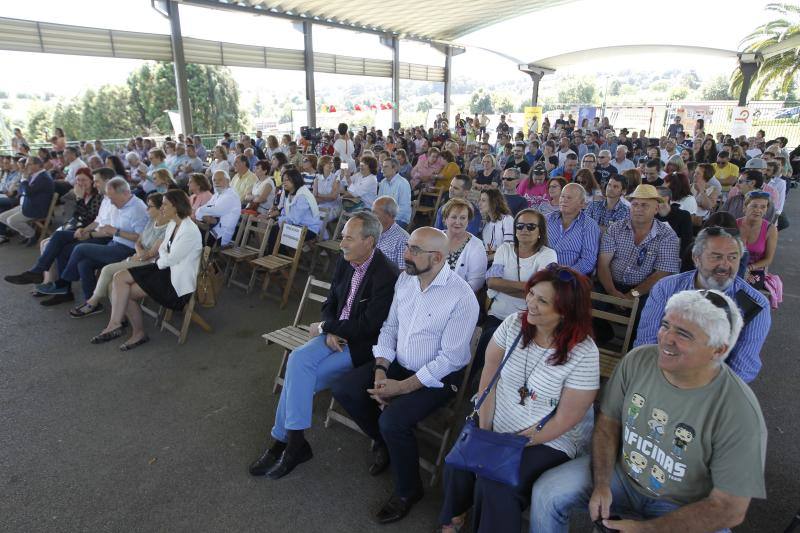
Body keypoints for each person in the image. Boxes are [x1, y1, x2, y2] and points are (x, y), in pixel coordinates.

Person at [532, 289, 766, 533]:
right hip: (622, 475)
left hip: (683, 503)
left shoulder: (739, 412)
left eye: (683, 334)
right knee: (547, 493)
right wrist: (602, 485)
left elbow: (729, 508)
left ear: (718, 350)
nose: (666, 338)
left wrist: (648, 529)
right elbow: (608, 423)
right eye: (666, 325)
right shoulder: (638, 360)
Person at [331, 227, 480, 525]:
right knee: (345, 388)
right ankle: (385, 442)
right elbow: (390, 328)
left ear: (437, 258)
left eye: (413, 250)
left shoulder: (462, 297)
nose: (405, 255)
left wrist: (401, 388)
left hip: (439, 377)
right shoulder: (406, 280)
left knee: (393, 420)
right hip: (400, 362)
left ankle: (408, 491)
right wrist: (381, 370)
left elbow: (450, 359)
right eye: (408, 247)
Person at [439, 265, 598, 533]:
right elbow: (488, 379)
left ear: (566, 310)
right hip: (497, 416)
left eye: (543, 301)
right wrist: (486, 430)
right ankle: (455, 515)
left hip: (547, 437)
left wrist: (517, 442)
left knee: (497, 483)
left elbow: (567, 419)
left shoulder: (583, 352)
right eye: (532, 294)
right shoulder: (514, 323)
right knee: (464, 457)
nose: (531, 304)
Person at [248, 212, 399, 479]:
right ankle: (293, 445)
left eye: (349, 238)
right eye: (343, 237)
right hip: (334, 335)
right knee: (297, 361)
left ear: (369, 241)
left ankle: (284, 442)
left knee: (298, 377)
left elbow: (369, 327)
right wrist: (329, 327)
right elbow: (330, 303)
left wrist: (327, 328)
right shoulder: (346, 260)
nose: (342, 243)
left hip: (360, 345)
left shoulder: (386, 273)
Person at [89, 190, 202, 350]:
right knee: (119, 277)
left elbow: (169, 259)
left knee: (124, 291)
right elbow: (163, 252)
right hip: (164, 270)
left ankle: (138, 333)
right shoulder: (173, 224)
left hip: (175, 282)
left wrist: (160, 256)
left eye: (164, 204)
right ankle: (114, 325)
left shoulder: (189, 230)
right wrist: (160, 256)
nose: (161, 208)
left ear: (176, 207)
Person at [39, 177, 148, 307]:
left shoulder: (137, 208)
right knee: (84, 263)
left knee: (80, 249)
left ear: (125, 193)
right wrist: (91, 231)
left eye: (113, 198)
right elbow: (106, 226)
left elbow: (141, 238)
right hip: (114, 243)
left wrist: (115, 232)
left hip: (129, 250)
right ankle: (91, 303)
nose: (111, 203)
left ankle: (63, 282)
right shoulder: (118, 203)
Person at [475, 208, 557, 374]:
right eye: (519, 226)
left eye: (530, 226)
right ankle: (474, 383)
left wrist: (505, 286)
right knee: (488, 336)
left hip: (529, 318)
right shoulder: (505, 249)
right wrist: (528, 289)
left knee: (500, 341)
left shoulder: (548, 255)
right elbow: (491, 282)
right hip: (498, 314)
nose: (524, 230)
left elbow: (541, 292)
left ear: (540, 231)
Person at [69, 192, 169, 318]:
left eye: (150, 206)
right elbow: (139, 241)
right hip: (136, 255)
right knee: (85, 262)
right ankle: (115, 317)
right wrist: (139, 252)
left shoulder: (167, 227)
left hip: (149, 263)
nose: (146, 209)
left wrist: (139, 254)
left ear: (161, 208)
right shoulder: (152, 221)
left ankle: (90, 302)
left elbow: (150, 254)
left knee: (98, 262)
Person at [597, 184, 680, 332]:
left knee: (649, 312)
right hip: (611, 284)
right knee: (586, 302)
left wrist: (632, 295)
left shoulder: (667, 235)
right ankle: (600, 339)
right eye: (634, 204)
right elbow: (603, 264)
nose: (638, 208)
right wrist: (612, 292)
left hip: (644, 290)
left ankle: (633, 349)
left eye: (644, 205)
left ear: (656, 209)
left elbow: (662, 273)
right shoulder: (615, 228)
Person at [4, 168, 102, 289]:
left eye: (84, 180)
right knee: (46, 242)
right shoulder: (79, 193)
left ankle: (46, 279)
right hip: (77, 228)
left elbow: (89, 219)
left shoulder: (97, 197)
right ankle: (49, 282)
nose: (80, 183)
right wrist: (78, 198)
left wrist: (79, 199)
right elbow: (74, 216)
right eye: (78, 180)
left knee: (57, 243)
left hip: (91, 231)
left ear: (92, 181)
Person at [545, 183, 600, 276]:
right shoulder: (546, 219)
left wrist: (563, 274)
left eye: (569, 198)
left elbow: (588, 261)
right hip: (544, 272)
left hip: (572, 278)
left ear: (582, 204)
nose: (563, 200)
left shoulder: (589, 226)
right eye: (562, 196)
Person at [0, 156, 54, 245]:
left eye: (29, 164)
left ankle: (31, 235)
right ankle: (27, 234)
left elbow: (27, 192)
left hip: (36, 209)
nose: (26, 166)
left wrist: (24, 179)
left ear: (38, 165)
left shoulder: (44, 178)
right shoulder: (34, 175)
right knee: (2, 217)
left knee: (11, 221)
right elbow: (22, 191)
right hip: (28, 204)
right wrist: (24, 183)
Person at [441, 198, 488, 291]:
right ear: (446, 219)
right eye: (454, 217)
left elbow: (476, 282)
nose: (458, 222)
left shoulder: (476, 245)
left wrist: (453, 296)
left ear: (468, 221)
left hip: (459, 296)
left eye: (462, 218)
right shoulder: (434, 238)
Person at [737, 191, 778, 287]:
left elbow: (768, 259)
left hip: (755, 270)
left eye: (763, 207)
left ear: (766, 210)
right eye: (754, 206)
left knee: (746, 285)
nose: (758, 210)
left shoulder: (770, 229)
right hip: (733, 266)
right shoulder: (734, 224)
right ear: (745, 207)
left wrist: (749, 268)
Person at [195, 170, 242, 247]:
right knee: (197, 233)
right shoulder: (217, 194)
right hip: (214, 229)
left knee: (199, 237)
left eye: (220, 179)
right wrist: (202, 213)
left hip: (222, 234)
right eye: (214, 180)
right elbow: (208, 206)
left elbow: (215, 210)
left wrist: (199, 213)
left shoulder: (230, 196)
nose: (216, 182)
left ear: (227, 181)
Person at [655, 186, 694, 263]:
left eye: (653, 198)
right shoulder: (651, 215)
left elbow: (687, 242)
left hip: (675, 258)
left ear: (665, 198)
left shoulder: (683, 215)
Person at [372, 196, 409, 269]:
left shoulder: (403, 239)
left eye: (375, 213)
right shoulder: (372, 232)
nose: (371, 216)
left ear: (389, 215)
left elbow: (403, 273)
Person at [479, 188, 514, 258]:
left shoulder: (507, 219)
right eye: (480, 200)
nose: (479, 203)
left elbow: (509, 249)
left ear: (493, 202)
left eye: (483, 200)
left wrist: (486, 259)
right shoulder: (487, 224)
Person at [377, 158, 412, 229]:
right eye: (382, 167)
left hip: (399, 219)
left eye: (386, 167)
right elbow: (379, 203)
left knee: (379, 229)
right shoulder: (383, 182)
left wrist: (388, 219)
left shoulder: (403, 183)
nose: (382, 169)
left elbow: (404, 209)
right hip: (384, 217)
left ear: (395, 168)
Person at [310, 155, 340, 222]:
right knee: (308, 219)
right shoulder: (317, 179)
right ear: (322, 165)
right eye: (328, 163)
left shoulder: (336, 178)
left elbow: (334, 197)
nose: (331, 165)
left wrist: (319, 195)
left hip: (333, 207)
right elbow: (315, 198)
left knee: (319, 221)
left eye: (332, 163)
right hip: (320, 207)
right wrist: (328, 197)